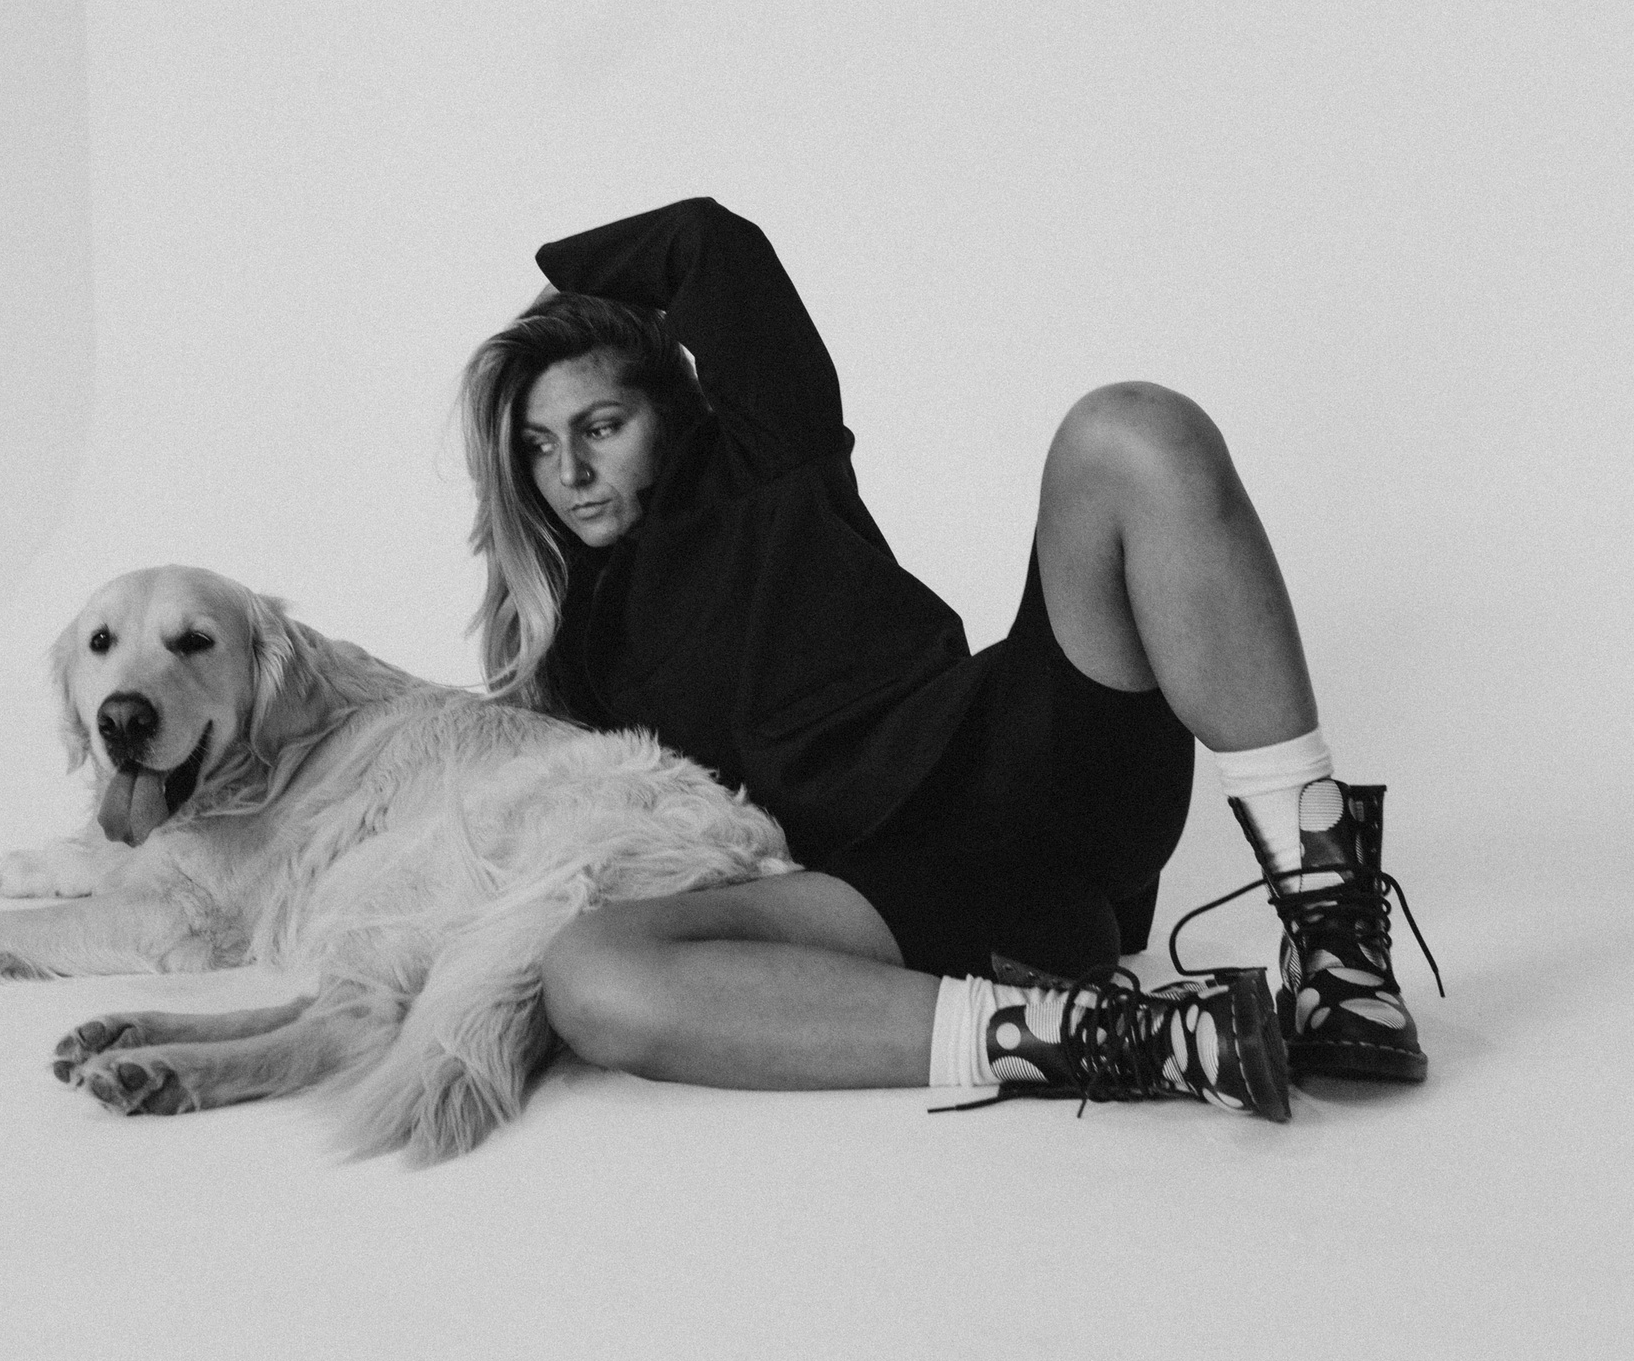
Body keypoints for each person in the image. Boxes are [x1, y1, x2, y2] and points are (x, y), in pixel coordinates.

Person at [458, 197, 1436, 1120]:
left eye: (601, 427)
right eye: (537, 445)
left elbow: (710, 243)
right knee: (590, 975)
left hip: (1019, 765)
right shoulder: (567, 652)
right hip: (894, 900)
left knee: (1129, 426)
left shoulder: (759, 458)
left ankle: (1338, 952)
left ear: (670, 413)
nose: (571, 472)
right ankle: (1138, 1039)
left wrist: (559, 287)